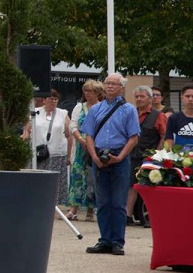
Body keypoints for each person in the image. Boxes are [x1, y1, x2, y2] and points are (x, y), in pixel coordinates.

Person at [76, 72, 139, 257]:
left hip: (119, 156)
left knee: (118, 202)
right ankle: (104, 240)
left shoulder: (129, 110)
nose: (110, 86)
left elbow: (133, 137)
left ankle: (117, 241)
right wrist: (94, 157)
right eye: (107, 83)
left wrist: (120, 157)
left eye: (114, 83)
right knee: (102, 202)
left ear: (122, 87)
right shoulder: (96, 109)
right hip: (99, 156)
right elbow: (88, 135)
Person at [25, 90, 71, 210]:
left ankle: (52, 206)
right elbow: (27, 131)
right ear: (44, 100)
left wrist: (69, 155)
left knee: (54, 182)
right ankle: (36, 203)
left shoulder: (63, 113)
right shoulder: (34, 112)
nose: (53, 101)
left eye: (55, 99)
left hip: (56, 153)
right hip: (38, 153)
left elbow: (68, 135)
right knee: (36, 179)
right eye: (51, 99)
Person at [128, 85, 165, 228]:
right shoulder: (131, 113)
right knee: (131, 185)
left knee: (149, 187)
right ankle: (127, 216)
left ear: (150, 99)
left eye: (142, 96)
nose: (139, 99)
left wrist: (156, 155)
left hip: (150, 157)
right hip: (132, 155)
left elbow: (163, 136)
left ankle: (149, 217)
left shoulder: (158, 115)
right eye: (136, 96)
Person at [65, 79, 102, 221]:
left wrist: (92, 142)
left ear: (97, 93)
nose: (87, 93)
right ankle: (73, 209)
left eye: (90, 91)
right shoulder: (79, 107)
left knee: (92, 177)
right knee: (77, 176)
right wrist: (80, 139)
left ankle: (90, 210)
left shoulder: (102, 107)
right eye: (85, 91)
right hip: (80, 148)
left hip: (96, 147)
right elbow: (73, 125)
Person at [166, 86, 193, 151]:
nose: (190, 99)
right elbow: (169, 140)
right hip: (179, 156)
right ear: (182, 98)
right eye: (187, 96)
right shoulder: (173, 118)